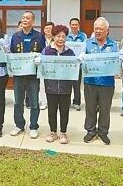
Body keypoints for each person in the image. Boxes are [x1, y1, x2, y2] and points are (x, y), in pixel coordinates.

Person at [9, 11, 46, 139]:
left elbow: (43, 53)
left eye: (27, 18)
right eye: (23, 17)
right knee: (18, 102)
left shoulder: (39, 36)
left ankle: (34, 126)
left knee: (34, 102)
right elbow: (12, 54)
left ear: (33, 21)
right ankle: (19, 125)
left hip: (33, 76)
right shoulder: (15, 36)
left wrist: (40, 59)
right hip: (19, 75)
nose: (24, 19)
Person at [82, 17, 118, 145]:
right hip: (90, 82)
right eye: (96, 28)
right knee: (90, 108)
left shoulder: (113, 45)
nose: (98, 31)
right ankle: (90, 131)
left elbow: (116, 63)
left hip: (107, 83)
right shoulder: (87, 43)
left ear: (107, 31)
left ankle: (103, 132)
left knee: (105, 109)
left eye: (101, 29)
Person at [41, 25, 75, 144]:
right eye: (58, 36)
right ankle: (53, 131)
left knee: (64, 110)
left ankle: (63, 133)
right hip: (51, 86)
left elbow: (73, 70)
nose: (60, 39)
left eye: (63, 36)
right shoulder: (46, 51)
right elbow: (42, 67)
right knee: (52, 110)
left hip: (66, 87)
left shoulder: (70, 52)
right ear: (53, 37)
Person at [66, 17, 87, 111]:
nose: (74, 26)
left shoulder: (83, 36)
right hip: (67, 64)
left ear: (79, 25)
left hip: (78, 64)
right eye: (72, 24)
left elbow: (85, 49)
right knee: (67, 84)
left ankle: (77, 102)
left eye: (76, 24)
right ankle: (67, 101)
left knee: (76, 84)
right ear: (70, 25)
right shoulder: (66, 35)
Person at [39, 21, 55, 110]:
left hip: (53, 65)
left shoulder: (56, 39)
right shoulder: (40, 39)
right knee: (42, 84)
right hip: (42, 64)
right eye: (46, 28)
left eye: (50, 28)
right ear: (44, 30)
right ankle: (44, 102)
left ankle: (52, 102)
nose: (48, 30)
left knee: (52, 84)